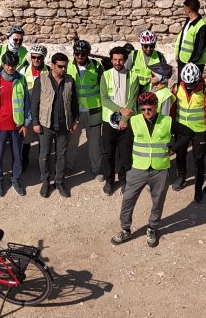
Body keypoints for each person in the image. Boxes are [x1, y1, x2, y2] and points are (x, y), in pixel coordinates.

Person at [111, 92, 175, 249]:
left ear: (156, 107)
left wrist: (174, 148)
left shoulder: (167, 121)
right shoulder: (134, 121)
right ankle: (125, 229)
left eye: (149, 109)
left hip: (160, 169)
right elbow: (125, 146)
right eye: (143, 109)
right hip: (137, 169)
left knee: (158, 201)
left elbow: (185, 134)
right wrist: (127, 168)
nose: (146, 112)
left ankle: (152, 228)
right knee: (128, 199)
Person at [29, 53, 79, 198]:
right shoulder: (42, 79)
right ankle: (45, 182)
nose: (63, 69)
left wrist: (75, 120)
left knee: (61, 155)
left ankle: (59, 181)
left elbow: (74, 102)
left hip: (64, 125)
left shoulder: (70, 80)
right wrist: (35, 122)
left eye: (65, 66)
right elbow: (35, 103)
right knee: (44, 155)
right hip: (45, 125)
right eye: (60, 67)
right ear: (52, 65)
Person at [171, 63, 206, 203]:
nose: (190, 87)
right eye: (187, 84)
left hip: (199, 131)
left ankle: (198, 188)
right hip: (181, 129)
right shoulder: (177, 88)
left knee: (199, 159)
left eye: (193, 84)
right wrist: (171, 127)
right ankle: (181, 177)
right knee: (180, 154)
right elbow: (173, 108)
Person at [0, 52, 30, 197]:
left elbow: (26, 103)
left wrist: (26, 124)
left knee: (17, 155)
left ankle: (15, 179)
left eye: (13, 65)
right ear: (2, 64)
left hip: (16, 125)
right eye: (7, 65)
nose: (10, 68)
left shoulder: (21, 80)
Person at [100, 45, 138, 196]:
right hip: (109, 121)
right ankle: (109, 180)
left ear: (125, 60)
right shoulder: (105, 75)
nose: (117, 62)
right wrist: (120, 110)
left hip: (126, 121)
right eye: (115, 59)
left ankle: (123, 179)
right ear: (111, 60)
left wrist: (125, 118)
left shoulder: (133, 76)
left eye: (120, 60)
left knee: (125, 152)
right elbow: (104, 99)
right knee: (108, 152)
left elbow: (132, 99)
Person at [67, 38, 105, 182]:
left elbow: (103, 87)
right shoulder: (69, 67)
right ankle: (69, 165)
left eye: (83, 54)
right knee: (72, 141)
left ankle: (96, 168)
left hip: (93, 110)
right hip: (75, 111)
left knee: (95, 142)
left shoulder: (96, 66)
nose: (80, 57)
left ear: (88, 53)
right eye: (77, 54)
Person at [19, 44, 49, 164]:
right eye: (33, 57)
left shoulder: (49, 71)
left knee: (43, 138)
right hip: (27, 109)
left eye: (39, 58)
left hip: (44, 109)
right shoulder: (23, 70)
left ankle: (43, 163)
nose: (36, 60)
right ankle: (24, 161)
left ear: (43, 58)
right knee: (26, 138)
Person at [175, 0, 206, 72]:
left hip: (194, 64)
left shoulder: (202, 26)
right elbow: (182, 38)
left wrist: (190, 63)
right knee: (181, 84)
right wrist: (177, 54)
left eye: (184, 8)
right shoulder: (188, 21)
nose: (184, 10)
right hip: (183, 60)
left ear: (188, 9)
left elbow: (199, 48)